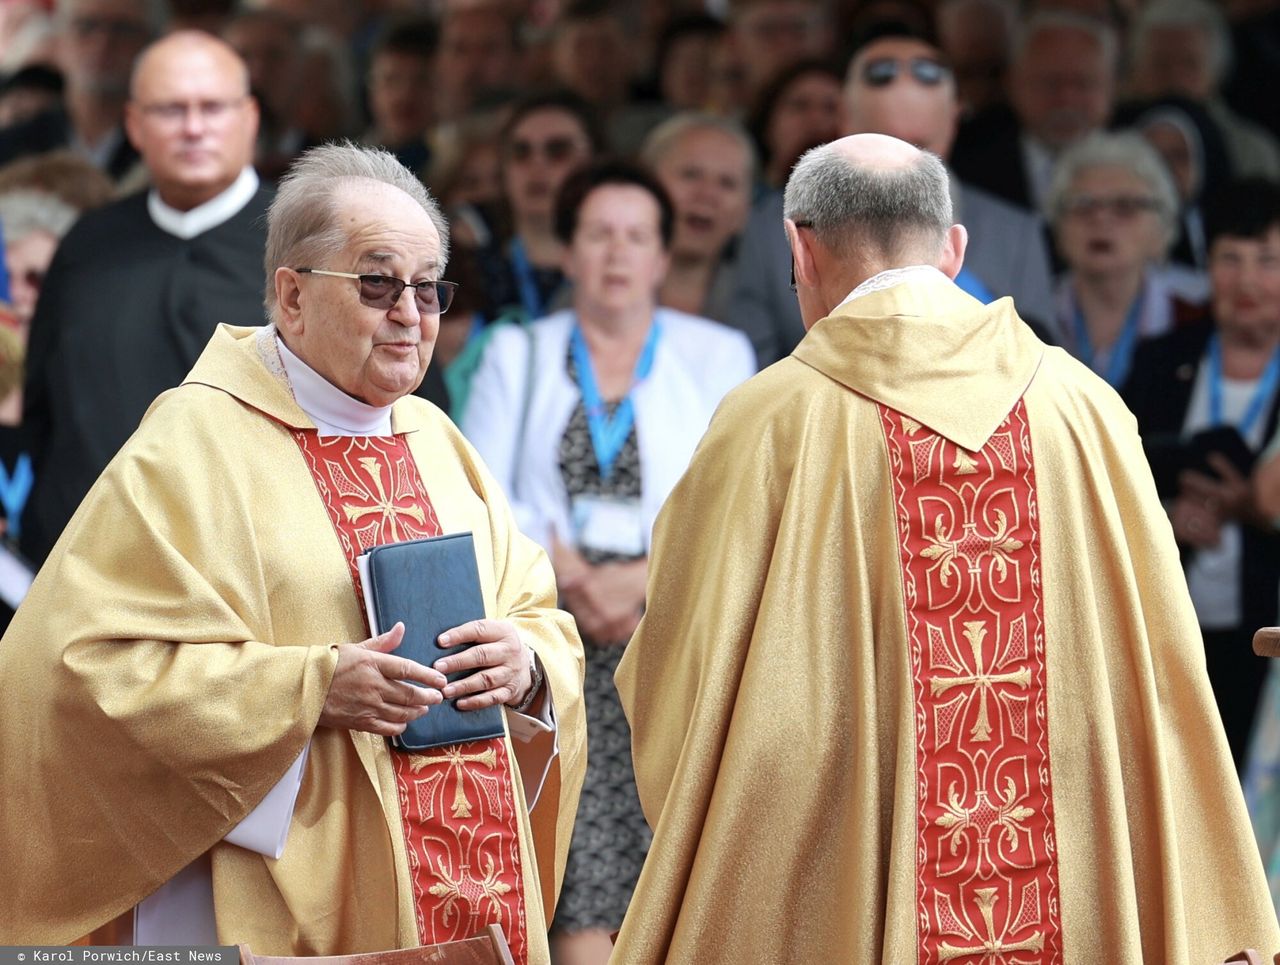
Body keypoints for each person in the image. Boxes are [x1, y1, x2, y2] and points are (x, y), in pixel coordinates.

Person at [609, 132, 1280, 962]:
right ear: (954, 250)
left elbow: (685, 672)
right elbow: (1164, 669)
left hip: (850, 871)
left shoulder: (769, 419)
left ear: (799, 248)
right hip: (1073, 861)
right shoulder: (1085, 408)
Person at [0, 142, 587, 961]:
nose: (411, 314)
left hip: (463, 881)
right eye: (378, 283)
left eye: (428, 288)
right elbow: (75, 668)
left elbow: (536, 611)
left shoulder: (438, 438)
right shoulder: (193, 442)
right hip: (269, 887)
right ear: (292, 294)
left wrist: (524, 665)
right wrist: (308, 689)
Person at [462, 160, 754, 965]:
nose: (617, 254)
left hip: (672, 641)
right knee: (582, 870)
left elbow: (737, 498)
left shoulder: (719, 353)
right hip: (552, 636)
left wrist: (646, 575)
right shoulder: (515, 353)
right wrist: (570, 573)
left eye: (636, 237)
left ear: (664, 256)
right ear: (567, 250)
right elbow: (476, 490)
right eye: (598, 234)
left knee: (677, 862)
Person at [20, 30, 270, 565]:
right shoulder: (88, 247)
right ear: (133, 124)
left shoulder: (306, 243)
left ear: (250, 117)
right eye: (171, 110)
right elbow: (42, 409)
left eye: (213, 107)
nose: (194, 128)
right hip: (91, 564)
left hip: (252, 565)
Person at [1121, 177, 1280, 768]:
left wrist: (1252, 506)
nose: (1246, 281)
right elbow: (1117, 473)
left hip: (1268, 639)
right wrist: (1164, 516)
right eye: (1229, 259)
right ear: (1205, 267)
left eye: (1267, 261)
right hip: (1169, 631)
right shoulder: (1162, 359)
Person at [1047, 130, 1197, 387]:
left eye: (1125, 206)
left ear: (1161, 231)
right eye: (1083, 205)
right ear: (1058, 228)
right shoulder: (1025, 317)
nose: (1101, 220)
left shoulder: (1194, 316)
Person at [640, 113, 754, 323]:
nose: (707, 194)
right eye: (690, 174)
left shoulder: (763, 306)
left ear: (744, 211)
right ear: (646, 187)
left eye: (727, 183)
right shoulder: (596, 289)